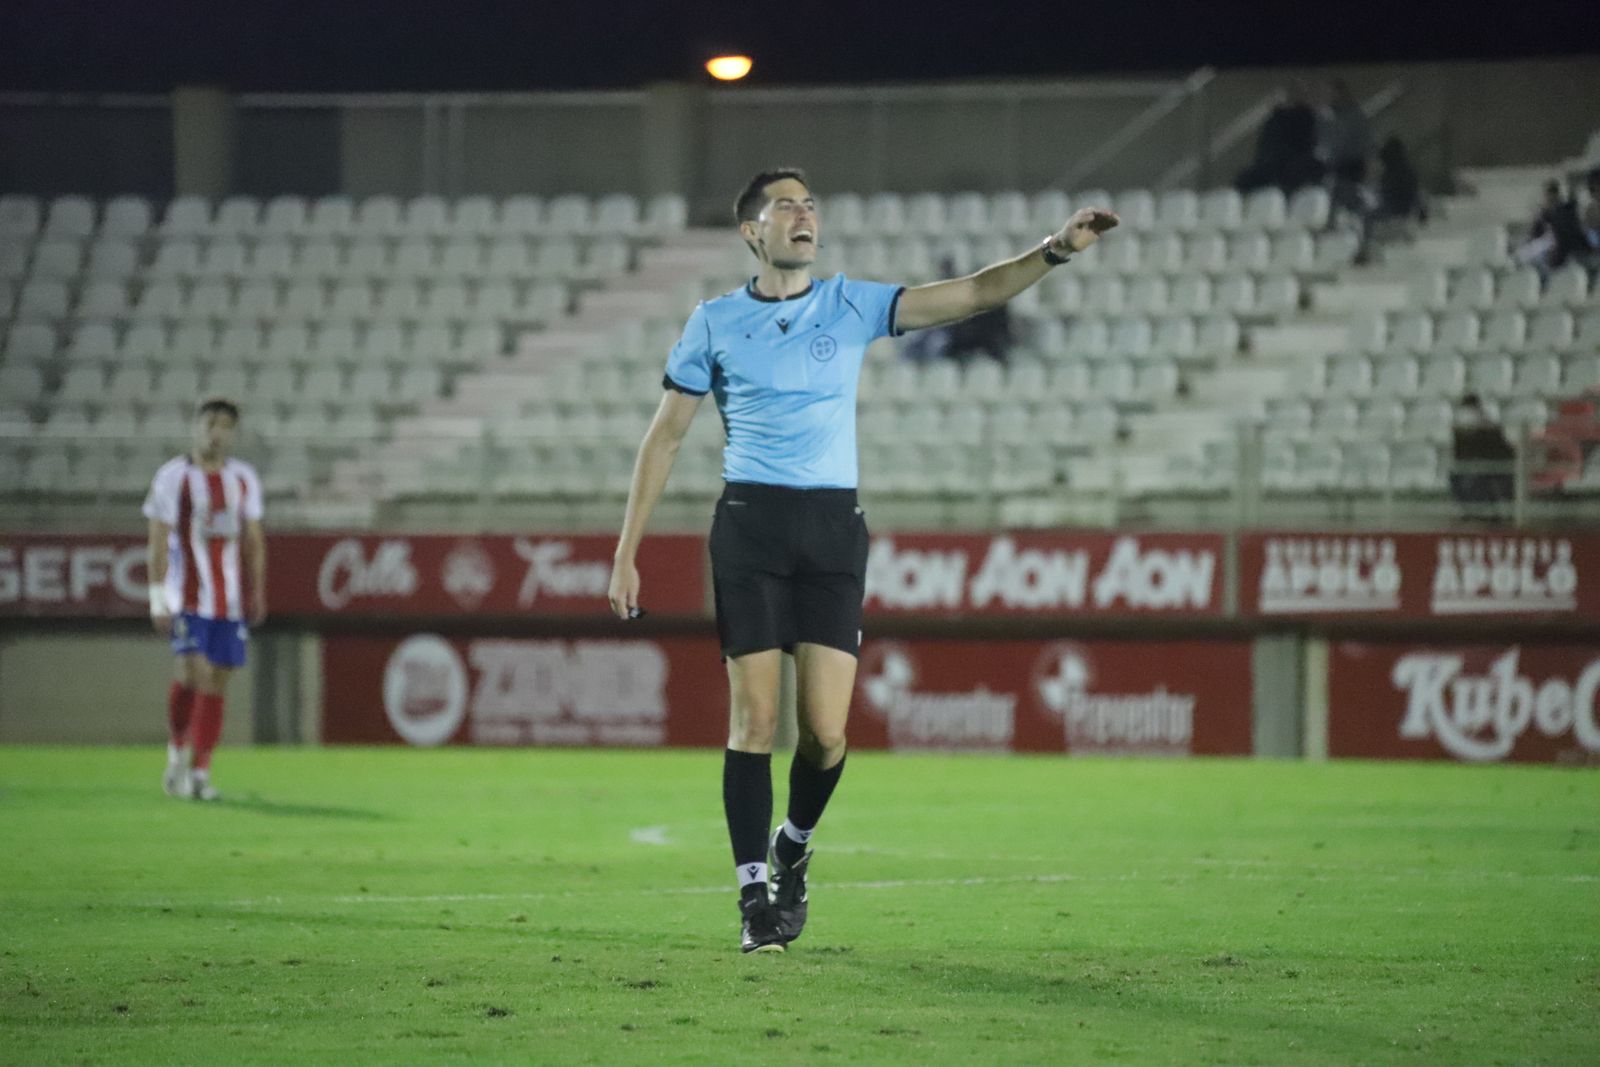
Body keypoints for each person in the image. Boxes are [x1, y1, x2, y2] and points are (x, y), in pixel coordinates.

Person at [606, 168, 1117, 953]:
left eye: (811, 204)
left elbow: (972, 295)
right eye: (787, 205)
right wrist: (626, 551)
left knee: (826, 733)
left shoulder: (849, 303)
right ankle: (753, 900)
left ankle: (793, 846)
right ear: (753, 231)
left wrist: (1055, 250)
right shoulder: (713, 322)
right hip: (749, 523)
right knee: (756, 718)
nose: (804, 214)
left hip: (832, 529)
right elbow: (665, 435)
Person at [144, 398, 267, 801]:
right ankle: (177, 753)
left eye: (226, 425)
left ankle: (200, 771)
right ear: (196, 427)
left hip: (228, 602)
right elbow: (158, 542)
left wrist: (257, 590)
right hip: (187, 597)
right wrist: (158, 597)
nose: (217, 431)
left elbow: (252, 540)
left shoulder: (243, 479)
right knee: (192, 672)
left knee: (217, 682)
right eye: (211, 422)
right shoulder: (172, 477)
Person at [1236, 81, 1322, 195]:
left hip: (1293, 169)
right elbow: (1264, 149)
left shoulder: (1306, 119)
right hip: (1270, 168)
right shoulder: (1274, 120)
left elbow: (1308, 145)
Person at [1449, 393, 1515, 522]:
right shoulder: (1459, 428)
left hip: (1495, 462)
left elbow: (1499, 449)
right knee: (1455, 475)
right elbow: (1459, 452)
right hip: (1473, 463)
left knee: (1479, 475)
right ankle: (1467, 510)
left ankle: (1488, 513)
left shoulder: (1489, 425)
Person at [1515, 180, 1586, 273]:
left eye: (1553, 195)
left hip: (1563, 250)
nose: (1550, 199)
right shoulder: (1543, 215)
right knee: (1524, 253)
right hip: (1545, 251)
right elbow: (1534, 235)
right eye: (1547, 195)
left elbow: (1568, 234)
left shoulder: (1567, 212)